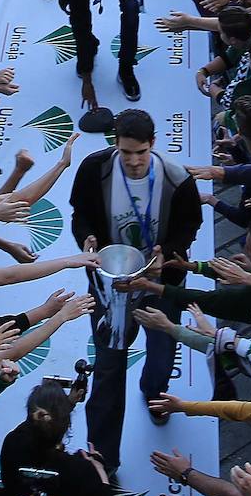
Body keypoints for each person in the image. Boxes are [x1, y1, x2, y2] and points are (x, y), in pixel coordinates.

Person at [70, 109, 201, 470]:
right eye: (126, 152)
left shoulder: (176, 178)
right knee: (109, 367)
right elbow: (79, 213)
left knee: (162, 346)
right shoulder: (94, 169)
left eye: (140, 152)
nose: (133, 161)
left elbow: (191, 223)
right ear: (115, 145)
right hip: (112, 284)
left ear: (153, 145)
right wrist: (88, 239)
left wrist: (169, 251)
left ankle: (155, 392)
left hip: (160, 282)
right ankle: (103, 458)